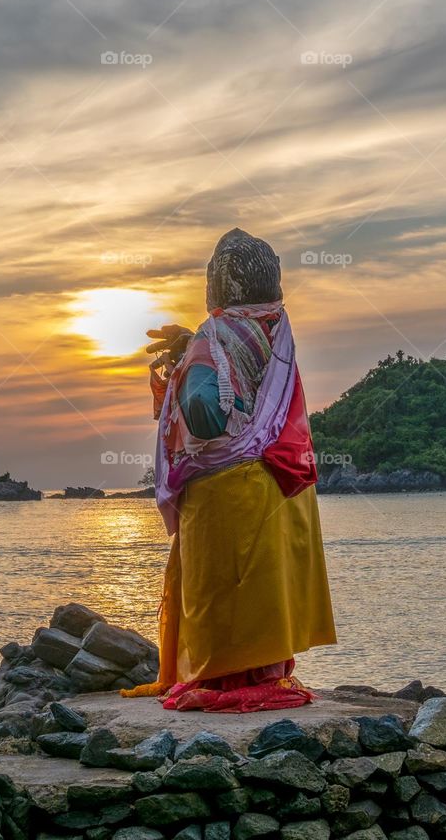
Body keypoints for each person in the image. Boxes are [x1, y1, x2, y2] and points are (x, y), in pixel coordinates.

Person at [122, 228, 336, 712]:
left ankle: (223, 678)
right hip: (280, 482)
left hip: (228, 491)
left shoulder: (214, 336)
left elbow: (205, 412)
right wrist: (191, 345)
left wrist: (188, 360)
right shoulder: (277, 330)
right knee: (265, 589)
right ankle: (267, 674)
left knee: (223, 591)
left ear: (215, 285)